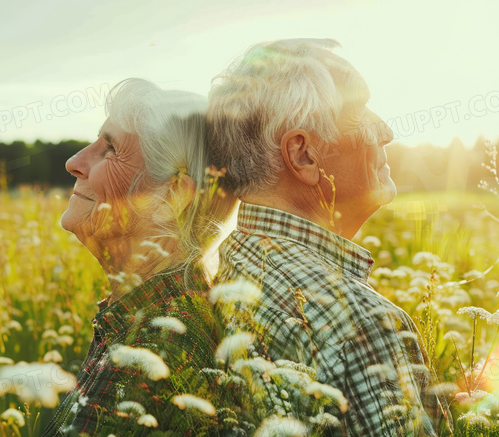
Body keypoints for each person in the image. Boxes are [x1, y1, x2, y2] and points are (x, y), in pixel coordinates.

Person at [207, 39, 452, 436]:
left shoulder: (227, 266)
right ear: (304, 155)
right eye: (360, 110)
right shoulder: (361, 325)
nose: (386, 131)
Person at [42, 78, 238, 436]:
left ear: (172, 198)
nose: (74, 162)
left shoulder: (153, 348)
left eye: (111, 150)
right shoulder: (151, 312)